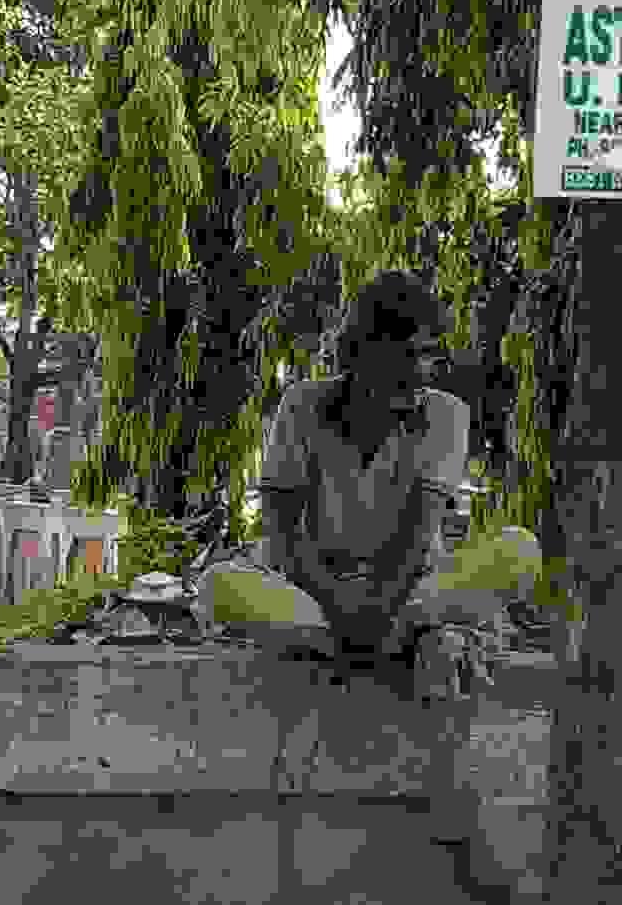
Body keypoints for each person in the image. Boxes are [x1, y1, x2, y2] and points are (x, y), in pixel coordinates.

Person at [205, 271, 483, 698]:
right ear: (361, 352)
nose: (419, 372)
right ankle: (408, 641)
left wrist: (375, 610)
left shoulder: (447, 414)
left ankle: (354, 641)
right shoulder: (302, 404)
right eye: (406, 355)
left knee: (518, 551)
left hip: (409, 589)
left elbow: (414, 543)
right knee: (218, 584)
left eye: (428, 356)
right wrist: (339, 604)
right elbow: (281, 533)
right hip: (317, 590)